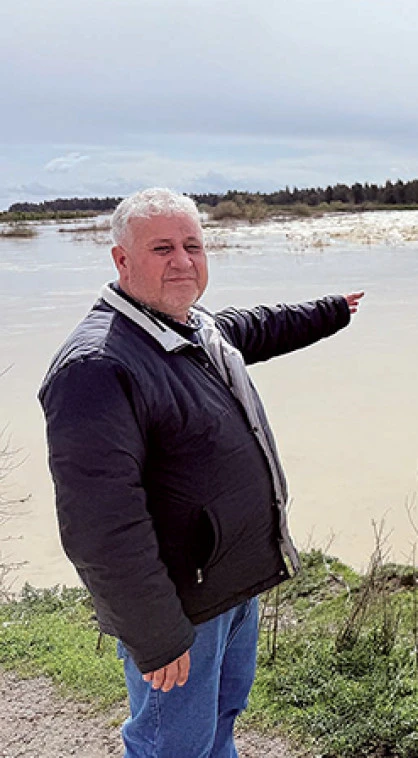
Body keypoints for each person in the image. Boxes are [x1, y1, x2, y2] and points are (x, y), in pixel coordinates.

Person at [39, 188, 364, 757]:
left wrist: (332, 310)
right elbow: (99, 528)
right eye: (162, 248)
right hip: (180, 610)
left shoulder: (194, 329)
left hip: (232, 586)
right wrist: (157, 637)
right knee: (174, 745)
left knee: (218, 724)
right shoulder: (97, 367)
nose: (183, 260)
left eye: (193, 244)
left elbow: (259, 326)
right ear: (121, 261)